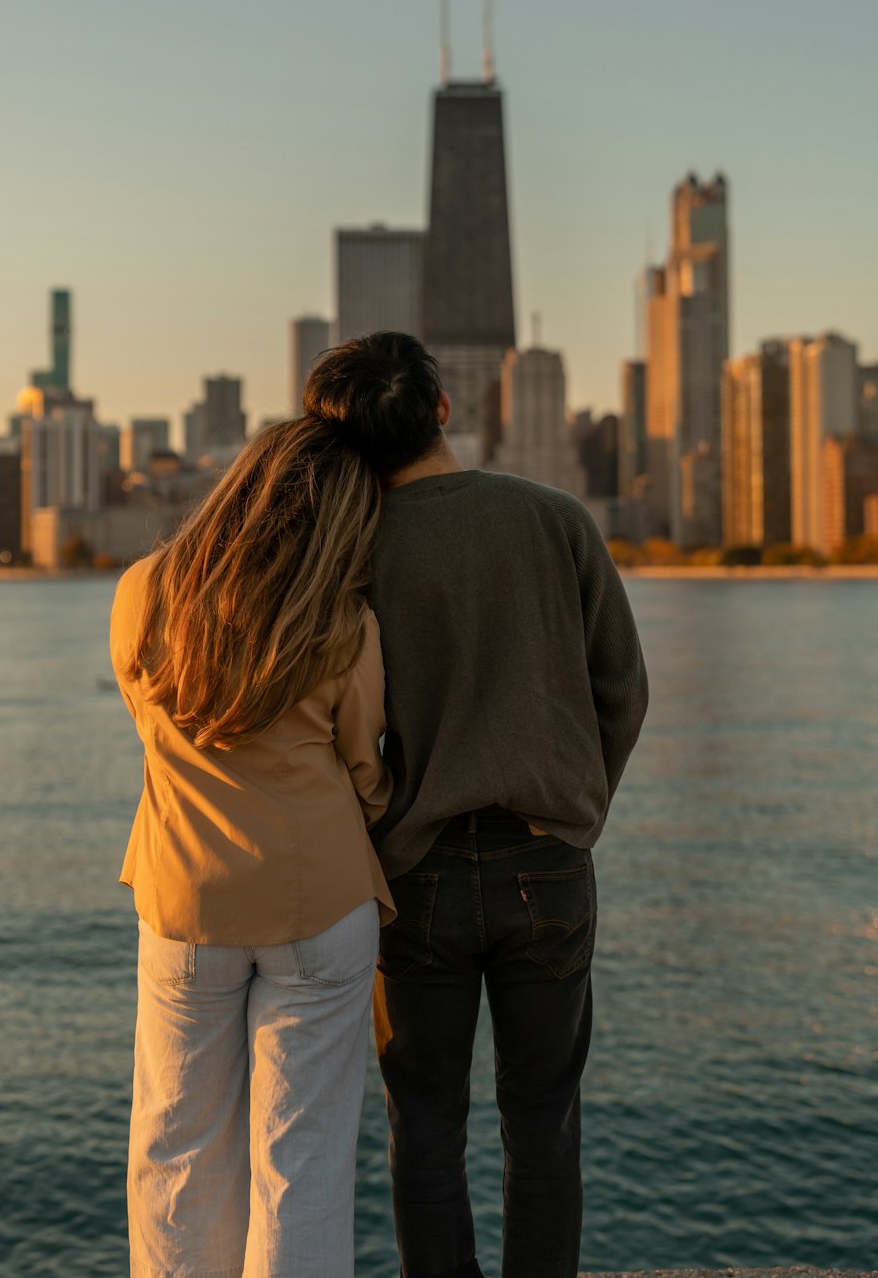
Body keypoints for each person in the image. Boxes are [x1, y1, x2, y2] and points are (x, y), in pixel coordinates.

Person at [304, 332, 649, 1278]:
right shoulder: (555, 518)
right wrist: (573, 813)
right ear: (444, 409)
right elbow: (623, 688)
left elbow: (338, 726)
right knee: (544, 1125)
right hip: (548, 864)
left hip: (415, 878)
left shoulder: (354, 549)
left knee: (424, 1129)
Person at [109, 417, 394, 1278]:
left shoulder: (144, 592)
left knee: (177, 1153)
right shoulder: (343, 623)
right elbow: (364, 770)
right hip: (319, 907)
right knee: (300, 1167)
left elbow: (147, 719)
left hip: (185, 901)